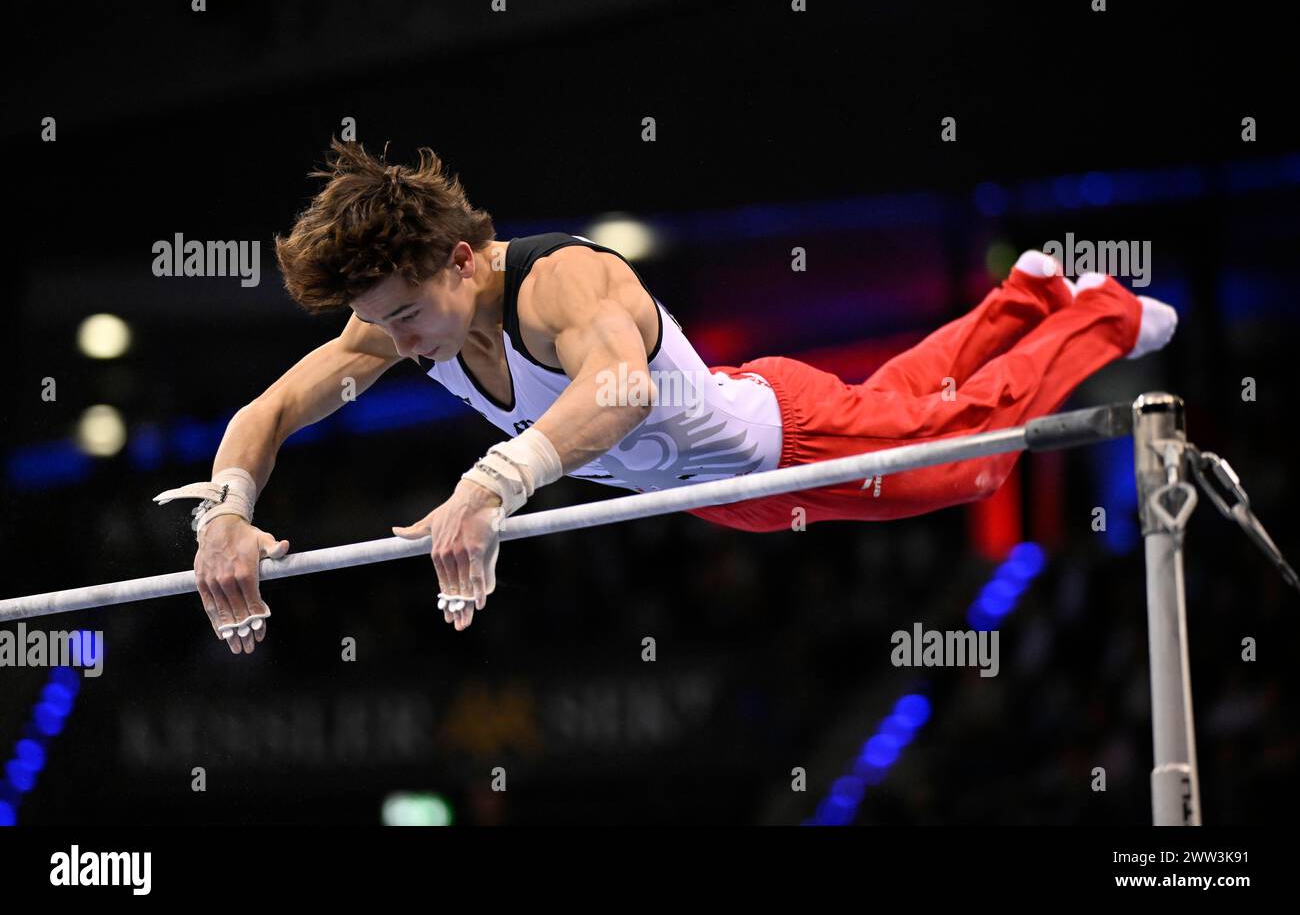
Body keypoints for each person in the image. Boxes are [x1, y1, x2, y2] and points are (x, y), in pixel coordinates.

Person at [155, 139, 1177, 653]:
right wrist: (227, 514)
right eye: (381, 322)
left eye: (407, 314)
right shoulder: (396, 317)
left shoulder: (562, 283)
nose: (397, 340)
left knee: (972, 461)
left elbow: (622, 387)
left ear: (461, 258)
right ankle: (1028, 295)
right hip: (712, 489)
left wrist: (490, 483)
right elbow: (269, 411)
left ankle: (1098, 318)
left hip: (786, 436)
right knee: (918, 400)